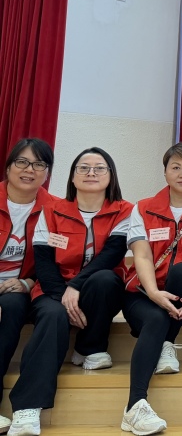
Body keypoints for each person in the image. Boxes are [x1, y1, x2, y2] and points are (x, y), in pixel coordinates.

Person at [8, 147, 133, 436]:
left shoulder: (125, 210)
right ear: (73, 177)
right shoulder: (52, 210)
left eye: (99, 168)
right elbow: (43, 262)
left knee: (105, 279)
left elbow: (111, 256)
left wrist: (75, 286)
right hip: (53, 289)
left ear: (111, 176)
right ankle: (27, 408)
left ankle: (89, 347)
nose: (91, 173)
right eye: (83, 168)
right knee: (52, 315)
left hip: (95, 289)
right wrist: (61, 296)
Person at [119, 142, 182, 436]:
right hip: (143, 296)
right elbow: (142, 256)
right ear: (165, 172)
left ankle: (167, 342)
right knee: (156, 317)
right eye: (176, 167)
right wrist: (153, 293)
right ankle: (135, 406)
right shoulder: (142, 208)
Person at [0, 139, 56, 436]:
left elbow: (59, 261)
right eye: (22, 162)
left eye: (38, 164)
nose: (29, 170)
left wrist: (29, 282)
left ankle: (22, 409)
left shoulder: (56, 209)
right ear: (8, 167)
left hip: (26, 289)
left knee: (12, 305)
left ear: (47, 173)